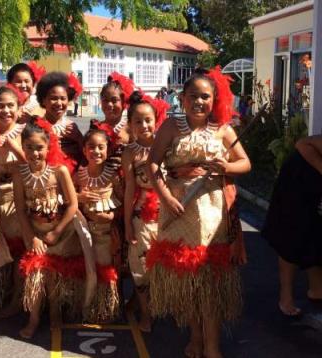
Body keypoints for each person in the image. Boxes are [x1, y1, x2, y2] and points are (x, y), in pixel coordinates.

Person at [146, 67, 250, 358]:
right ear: (182, 97)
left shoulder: (224, 129)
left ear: (213, 99)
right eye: (193, 96)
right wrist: (165, 197)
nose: (199, 102)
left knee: (210, 281)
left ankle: (213, 346)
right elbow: (153, 164)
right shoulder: (169, 127)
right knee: (189, 279)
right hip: (178, 209)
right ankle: (195, 338)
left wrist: (226, 167)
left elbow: (245, 163)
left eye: (205, 97)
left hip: (213, 212)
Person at [13, 120, 85, 339]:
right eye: (30, 148)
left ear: (48, 147)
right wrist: (31, 237)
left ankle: (55, 312)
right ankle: (34, 319)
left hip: (61, 233)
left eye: (39, 148)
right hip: (36, 233)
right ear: (23, 148)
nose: (35, 153)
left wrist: (57, 231)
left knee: (54, 275)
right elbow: (20, 209)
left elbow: (73, 205)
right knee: (35, 274)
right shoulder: (20, 173)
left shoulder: (59, 171)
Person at [262, 135, 322, 316]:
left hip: (316, 186)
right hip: (297, 179)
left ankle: (317, 289)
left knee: (317, 232)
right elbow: (302, 143)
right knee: (291, 235)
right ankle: (285, 298)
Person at [121, 91, 162, 332]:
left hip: (169, 214)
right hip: (141, 217)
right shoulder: (130, 152)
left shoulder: (167, 145)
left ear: (156, 120)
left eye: (148, 119)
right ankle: (146, 314)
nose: (144, 125)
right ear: (131, 125)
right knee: (141, 268)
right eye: (138, 121)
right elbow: (129, 190)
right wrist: (127, 224)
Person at [74, 129, 123, 323]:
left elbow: (122, 200)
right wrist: (79, 197)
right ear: (84, 150)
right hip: (84, 232)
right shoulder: (78, 175)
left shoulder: (113, 176)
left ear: (108, 150)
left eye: (101, 147)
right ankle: (84, 306)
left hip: (106, 233)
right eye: (91, 147)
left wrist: (111, 215)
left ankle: (104, 308)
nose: (96, 151)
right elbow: (68, 199)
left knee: (104, 266)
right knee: (87, 268)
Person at [0, 85, 26, 317]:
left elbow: (34, 165)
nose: (5, 110)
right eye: (0, 105)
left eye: (10, 105)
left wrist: (15, 150)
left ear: (19, 109)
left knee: (18, 248)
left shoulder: (24, 132)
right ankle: (1, 295)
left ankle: (16, 300)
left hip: (17, 198)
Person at [35, 71, 84, 168]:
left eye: (63, 98)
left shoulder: (72, 126)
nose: (59, 103)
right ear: (43, 100)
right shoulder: (36, 126)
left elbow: (85, 152)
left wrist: (78, 138)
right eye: (53, 98)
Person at [90, 72, 134, 167]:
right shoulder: (95, 128)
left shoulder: (130, 128)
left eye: (114, 100)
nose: (109, 105)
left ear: (124, 103)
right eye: (105, 100)